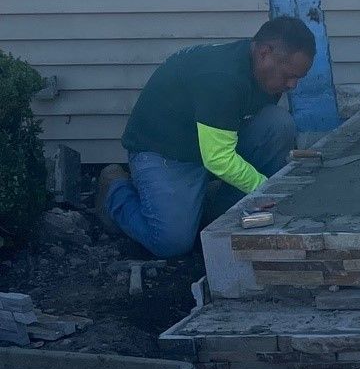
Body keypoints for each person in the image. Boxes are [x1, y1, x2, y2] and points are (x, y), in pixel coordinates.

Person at [98, 17, 317, 259]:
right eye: (289, 75)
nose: (293, 85)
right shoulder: (222, 77)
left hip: (207, 143)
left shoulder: (262, 72)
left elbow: (222, 145)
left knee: (278, 124)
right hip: (164, 153)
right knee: (172, 242)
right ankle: (115, 189)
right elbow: (219, 159)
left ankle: (214, 209)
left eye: (299, 77)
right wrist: (267, 190)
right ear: (265, 53)